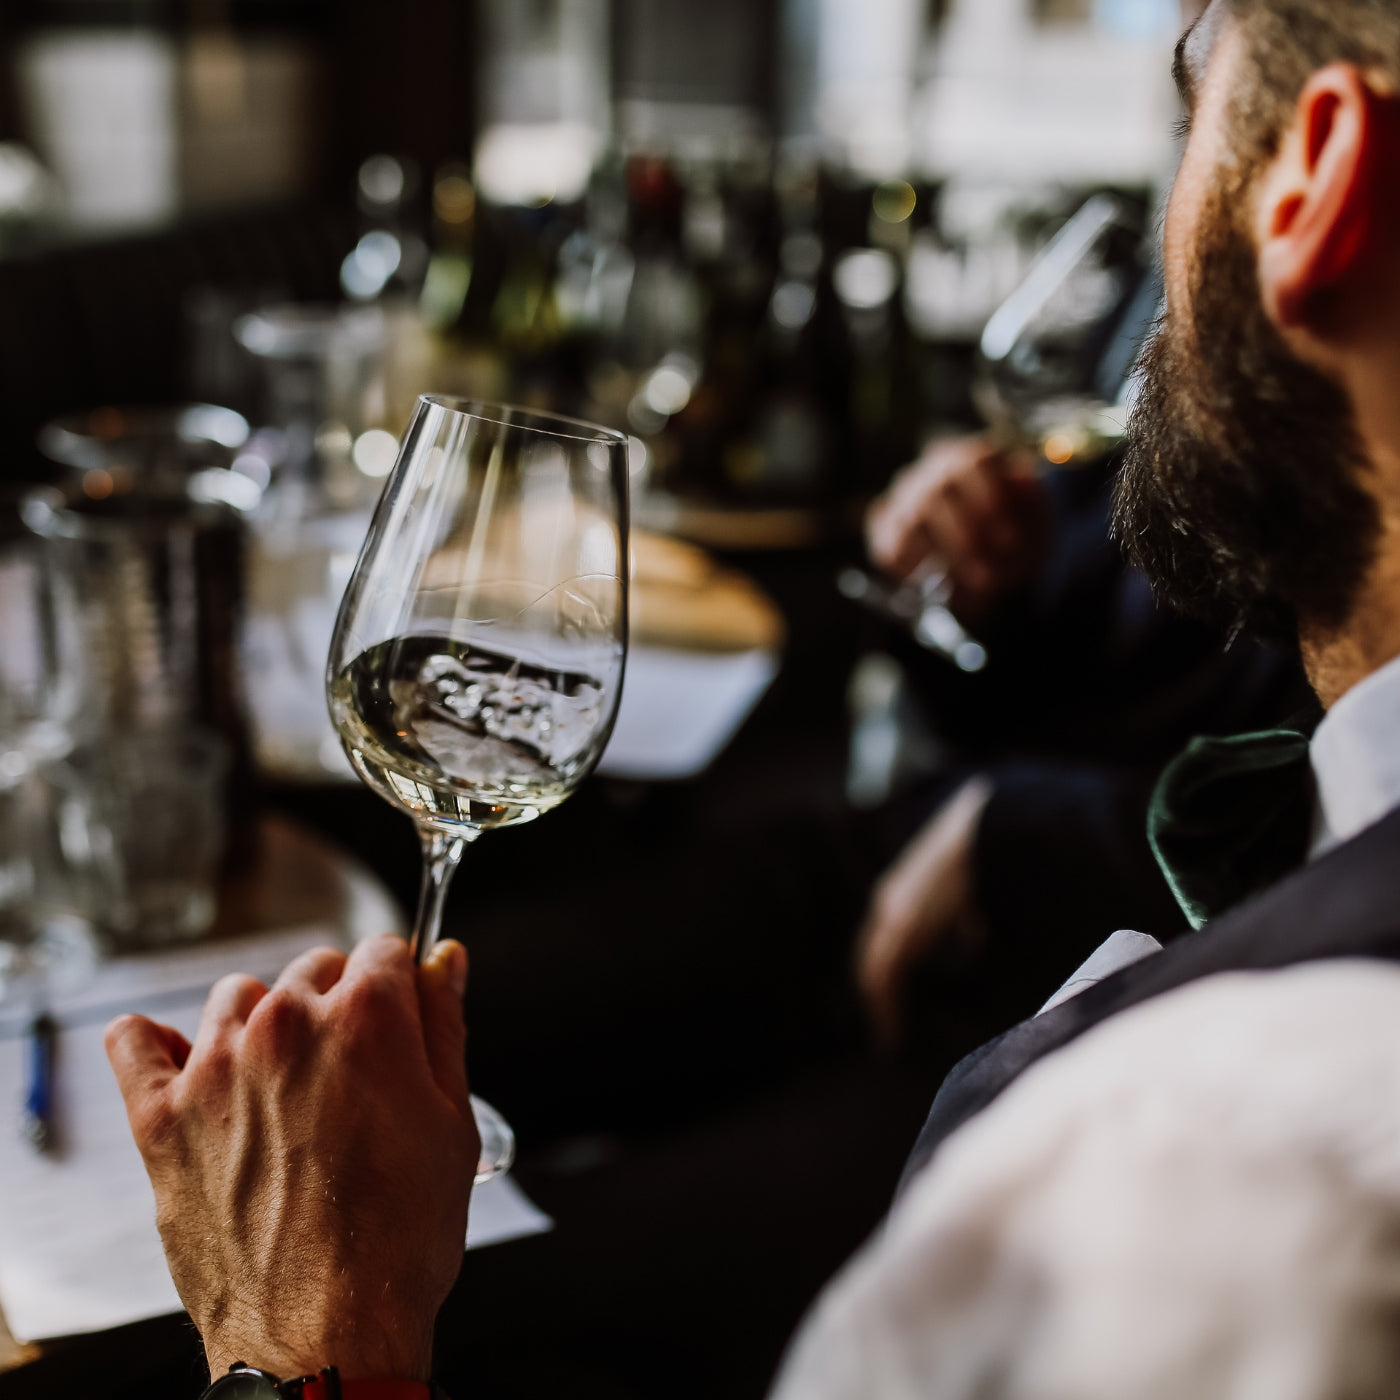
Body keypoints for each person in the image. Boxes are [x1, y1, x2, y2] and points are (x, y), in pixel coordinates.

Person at [106, 0, 1400, 1393]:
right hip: (930, 879)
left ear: (1314, 177)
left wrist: (299, 1352)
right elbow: (1192, 645)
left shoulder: (1225, 1191)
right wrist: (994, 599)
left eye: (1189, 103)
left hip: (996, 976)